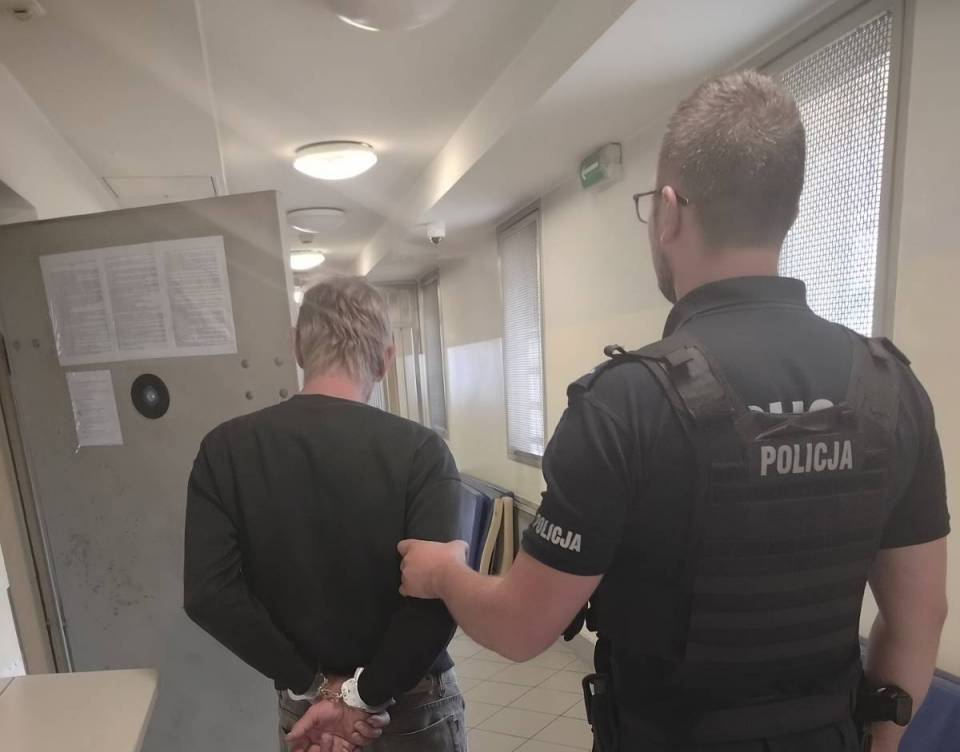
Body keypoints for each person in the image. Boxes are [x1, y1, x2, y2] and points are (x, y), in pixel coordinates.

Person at [397, 71, 949, 752]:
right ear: (788, 209)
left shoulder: (624, 404)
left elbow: (519, 627)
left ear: (668, 212)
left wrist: (444, 573)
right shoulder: (892, 391)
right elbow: (919, 617)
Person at [184, 277, 471, 752]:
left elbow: (209, 594)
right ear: (386, 358)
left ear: (297, 347)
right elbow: (439, 599)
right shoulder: (422, 451)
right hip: (411, 707)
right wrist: (366, 694)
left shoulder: (225, 450)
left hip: (308, 713)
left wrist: (314, 684)